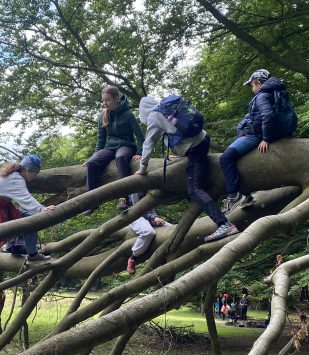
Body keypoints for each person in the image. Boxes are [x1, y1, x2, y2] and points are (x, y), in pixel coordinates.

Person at [137, 97, 239, 243]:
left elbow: (149, 144)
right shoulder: (167, 109)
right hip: (203, 140)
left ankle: (224, 224)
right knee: (200, 181)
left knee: (194, 190)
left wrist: (142, 168)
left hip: (195, 149)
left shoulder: (154, 116)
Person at [0, 155, 56, 294]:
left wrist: (38, 209)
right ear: (27, 170)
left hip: (4, 207)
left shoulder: (15, 176)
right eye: (35, 173)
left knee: (31, 221)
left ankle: (32, 254)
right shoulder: (16, 179)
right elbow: (25, 198)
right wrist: (42, 209)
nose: (35, 176)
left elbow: (21, 199)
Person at [220, 69, 295, 213]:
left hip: (257, 135)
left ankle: (235, 195)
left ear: (258, 83)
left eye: (252, 85)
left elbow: (268, 116)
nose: (251, 88)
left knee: (225, 158)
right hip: (273, 133)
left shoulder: (262, 96)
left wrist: (266, 138)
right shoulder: (275, 92)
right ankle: (247, 198)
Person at [83, 85, 145, 215]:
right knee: (92, 164)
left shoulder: (128, 114)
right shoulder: (103, 116)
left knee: (121, 157)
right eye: (103, 100)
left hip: (126, 145)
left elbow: (139, 135)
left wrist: (139, 152)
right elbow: (101, 139)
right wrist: (94, 156)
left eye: (108, 100)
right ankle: (91, 201)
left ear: (116, 98)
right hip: (110, 147)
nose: (105, 103)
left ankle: (124, 198)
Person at [125, 193, 170, 275]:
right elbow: (138, 210)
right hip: (135, 216)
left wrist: (156, 218)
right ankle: (133, 258)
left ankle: (163, 257)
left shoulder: (150, 190)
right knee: (148, 232)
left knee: (169, 228)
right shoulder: (136, 190)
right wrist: (153, 218)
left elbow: (150, 209)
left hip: (147, 216)